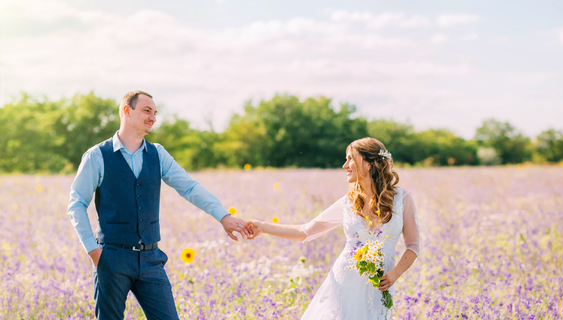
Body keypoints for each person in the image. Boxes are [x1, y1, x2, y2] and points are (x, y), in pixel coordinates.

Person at [66, 90, 251, 320]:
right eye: (146, 110)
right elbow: (76, 204)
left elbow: (189, 187)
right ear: (126, 110)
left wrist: (223, 216)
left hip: (151, 259)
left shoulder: (158, 154)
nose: (152, 117)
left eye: (154, 112)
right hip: (112, 258)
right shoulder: (97, 156)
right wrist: (94, 252)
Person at [246, 137, 420, 320]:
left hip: (379, 288)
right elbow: (305, 232)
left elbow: (413, 246)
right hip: (343, 285)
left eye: (350, 159)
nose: (345, 165)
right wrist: (263, 227)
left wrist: (394, 274)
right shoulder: (348, 203)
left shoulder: (403, 200)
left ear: (369, 164)